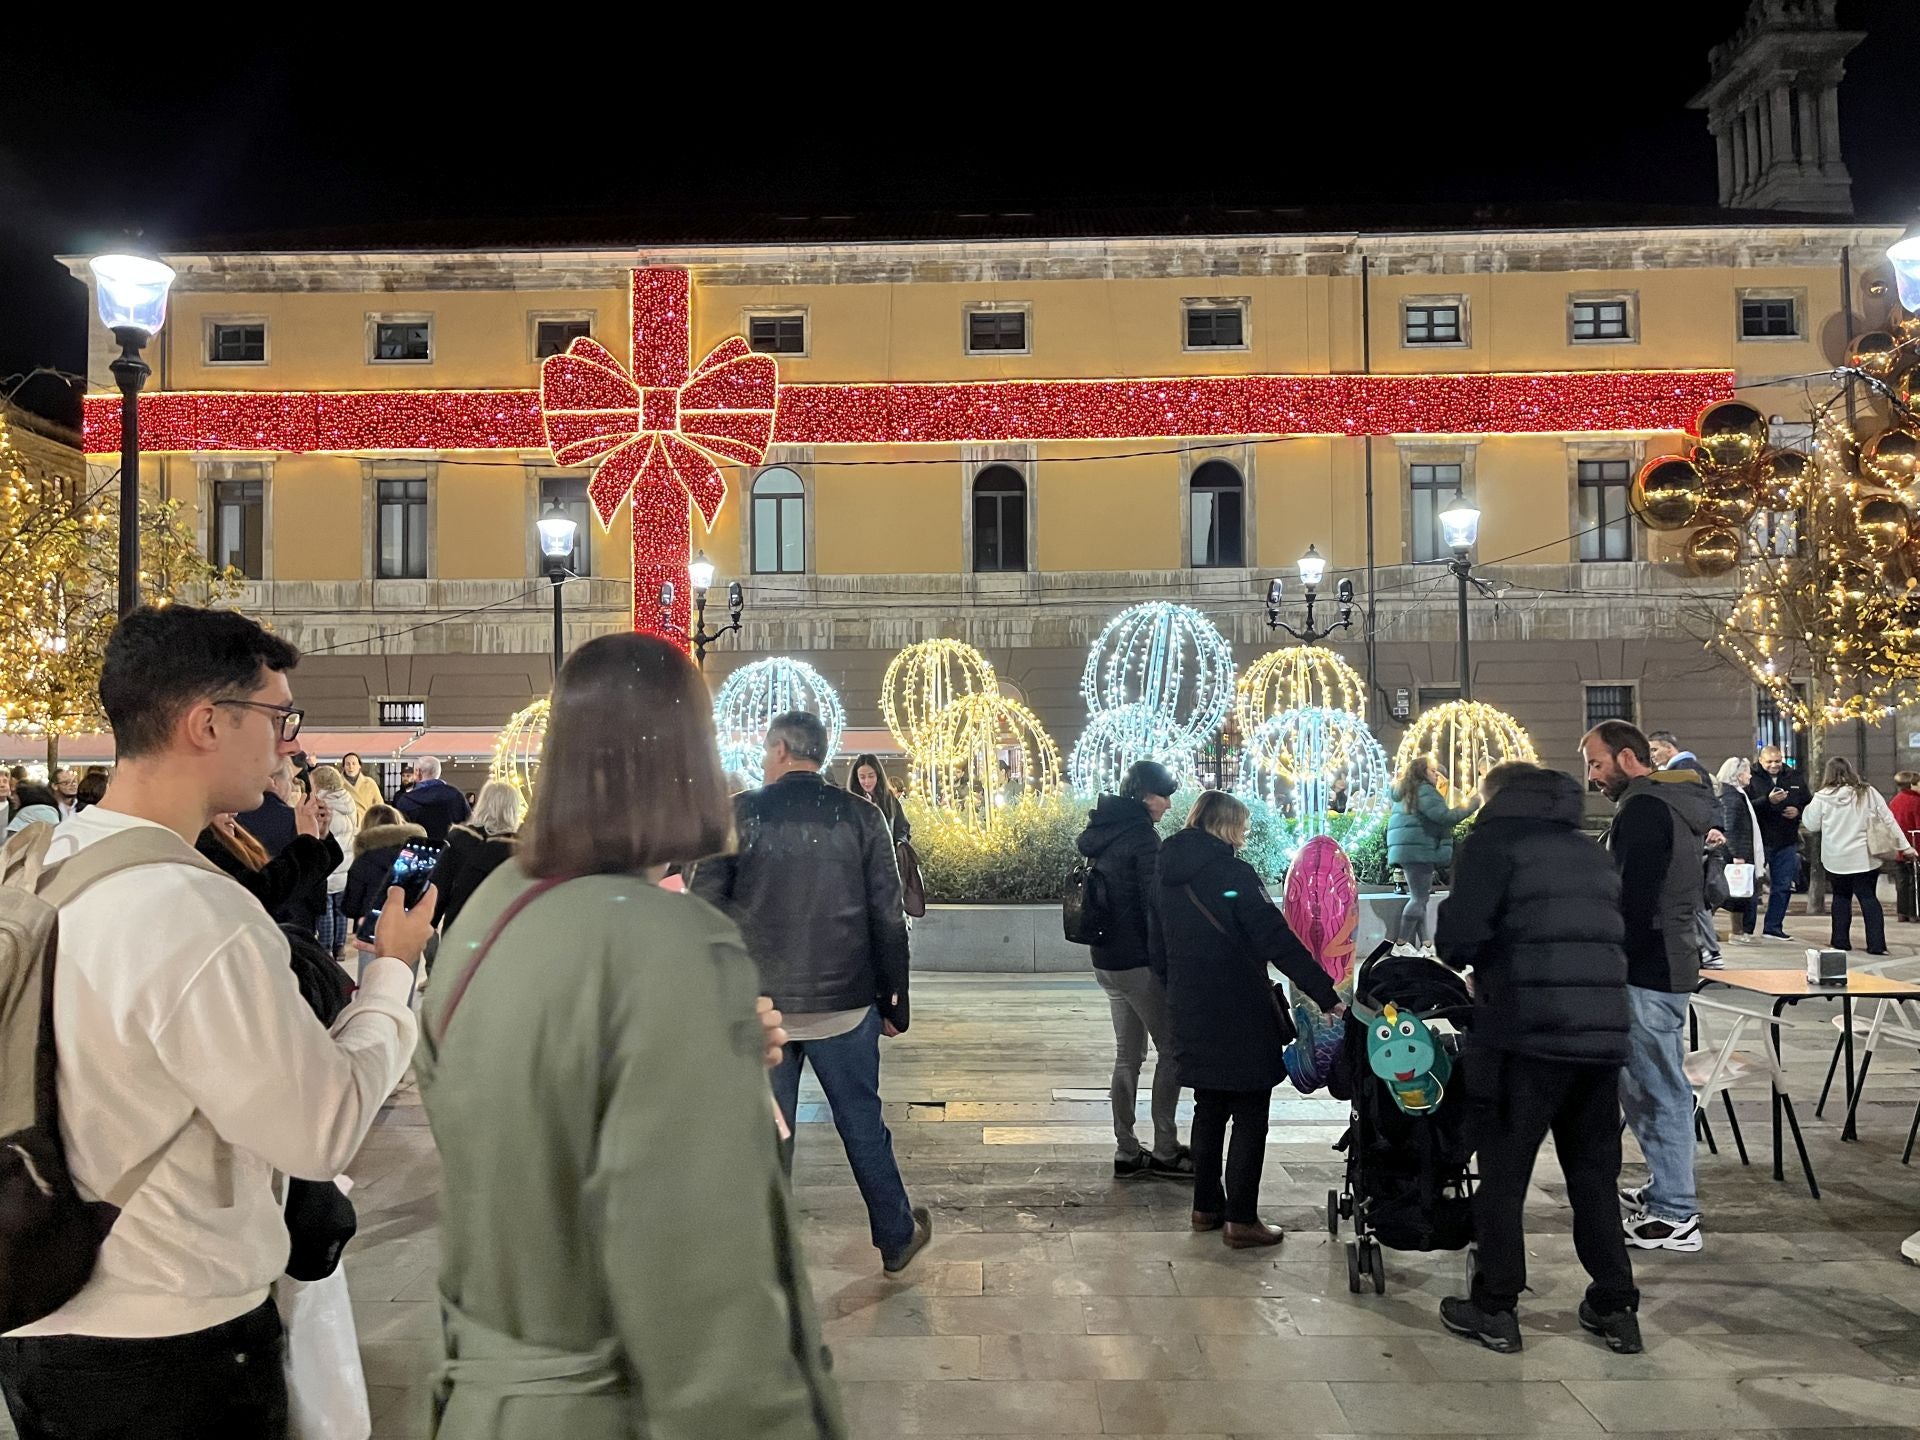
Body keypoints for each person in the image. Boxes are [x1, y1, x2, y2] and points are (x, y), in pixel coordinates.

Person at [0, 604, 434, 1439]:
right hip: (170, 1341)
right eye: (277, 717)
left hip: (40, 1307)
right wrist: (390, 977)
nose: (290, 742)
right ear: (206, 722)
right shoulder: (194, 909)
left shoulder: (41, 860)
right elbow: (320, 1130)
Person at [414, 635, 845, 1438]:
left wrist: (701, 1049)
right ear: (682, 758)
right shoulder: (668, 944)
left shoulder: (495, 913)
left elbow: (520, 1108)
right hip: (603, 1413)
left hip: (480, 1405)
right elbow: (704, 1304)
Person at [691, 710, 929, 1275]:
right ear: (819, 755)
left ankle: (764, 1253)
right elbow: (887, 916)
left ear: (778, 750)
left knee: (768, 1132)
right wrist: (896, 999)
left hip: (760, 1008)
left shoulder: (739, 813)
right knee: (861, 1123)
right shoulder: (862, 816)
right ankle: (896, 1234)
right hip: (845, 1005)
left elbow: (704, 909)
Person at [1432, 763, 1641, 1356]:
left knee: (1503, 1176)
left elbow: (1458, 940)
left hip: (1524, 1034)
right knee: (1594, 1177)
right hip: (1601, 1038)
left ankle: (1495, 1305)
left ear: (1496, 796)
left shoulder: (1491, 844)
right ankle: (1615, 1304)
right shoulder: (1589, 851)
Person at [1152, 790, 1341, 1248]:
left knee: (1209, 1105)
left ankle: (1205, 1207)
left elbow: (1155, 942)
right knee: (1251, 1108)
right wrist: (1324, 992)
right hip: (1238, 1007)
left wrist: (1180, 987)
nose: (1245, 835)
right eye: (1243, 827)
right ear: (1227, 826)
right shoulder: (1232, 872)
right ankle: (1241, 1219)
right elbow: (1275, 938)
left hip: (1190, 1003)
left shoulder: (1165, 871)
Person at [1582, 720, 1710, 1253]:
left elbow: (1633, 897)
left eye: (1596, 762)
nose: (1591, 777)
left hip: (1649, 963)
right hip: (1663, 958)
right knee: (1647, 1085)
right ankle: (1667, 1190)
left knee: (1656, 1087)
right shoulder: (1666, 803)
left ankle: (1675, 1213)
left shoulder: (1644, 808)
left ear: (1628, 759)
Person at [1073, 759, 1192, 1180]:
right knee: (1174, 1050)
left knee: (1128, 1056)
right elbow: (1153, 906)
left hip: (1105, 959)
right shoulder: (1142, 838)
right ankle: (1165, 1148)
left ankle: (1127, 1149)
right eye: (1164, 795)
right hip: (1137, 962)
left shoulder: (1104, 832)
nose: (1169, 804)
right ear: (1145, 795)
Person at [1802, 756, 1913, 956]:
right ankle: (1877, 945)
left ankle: (1840, 942)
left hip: (1836, 858)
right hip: (1864, 856)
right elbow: (1889, 819)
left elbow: (1811, 824)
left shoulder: (1822, 797)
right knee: (1869, 898)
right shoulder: (1867, 792)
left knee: (1840, 898)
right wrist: (1905, 847)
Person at [1648, 730, 1727, 969]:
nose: (1652, 755)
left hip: (1689, 845)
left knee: (1692, 899)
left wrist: (1715, 827)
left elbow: (1705, 801)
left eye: (1654, 749)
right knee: (1692, 899)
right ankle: (1705, 951)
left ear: (1669, 748)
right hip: (1690, 843)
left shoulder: (1685, 769)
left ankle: (1708, 951)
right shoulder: (1679, 770)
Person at [1386, 754, 1477, 951]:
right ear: (1421, 772)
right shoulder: (1425, 790)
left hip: (1409, 849)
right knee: (1419, 898)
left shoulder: (1406, 791)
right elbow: (1445, 816)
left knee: (1420, 896)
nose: (1437, 775)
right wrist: (1474, 801)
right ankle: (1401, 943)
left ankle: (1426, 943)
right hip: (1419, 849)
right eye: (1432, 771)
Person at [432, 779, 524, 934]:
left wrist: (430, 923)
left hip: (459, 924)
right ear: (513, 809)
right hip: (502, 929)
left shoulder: (458, 839)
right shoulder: (520, 850)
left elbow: (439, 887)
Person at [1746, 745, 1811, 939]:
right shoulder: (1751, 776)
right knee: (1753, 887)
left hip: (1786, 839)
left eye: (1777, 761)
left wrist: (1798, 810)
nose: (1774, 765)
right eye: (1769, 762)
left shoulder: (1793, 776)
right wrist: (1768, 801)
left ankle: (1773, 927)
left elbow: (1807, 800)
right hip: (1761, 839)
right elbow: (1746, 806)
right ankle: (1746, 928)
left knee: (1783, 886)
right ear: (1760, 760)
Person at [343, 803, 428, 943]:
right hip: (408, 928)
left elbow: (351, 907)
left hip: (372, 930)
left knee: (373, 965)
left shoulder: (363, 861)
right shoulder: (415, 856)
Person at [306, 765, 359, 956]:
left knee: (326, 906)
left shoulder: (322, 805)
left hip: (329, 862)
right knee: (340, 907)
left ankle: (326, 947)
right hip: (346, 860)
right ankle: (340, 947)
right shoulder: (348, 800)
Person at [1714, 757, 1764, 944]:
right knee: (1729, 895)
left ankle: (1738, 931)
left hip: (1739, 853)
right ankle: (1736, 932)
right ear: (1737, 774)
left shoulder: (1736, 795)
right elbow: (1731, 828)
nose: (1750, 775)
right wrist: (1738, 855)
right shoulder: (1731, 797)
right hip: (1736, 855)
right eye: (1746, 771)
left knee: (1736, 895)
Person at [393, 754, 470, 843]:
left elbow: (400, 832)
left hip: (418, 851)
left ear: (418, 772)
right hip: (451, 851)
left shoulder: (406, 800)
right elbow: (468, 825)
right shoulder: (456, 795)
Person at [237, 758, 300, 858]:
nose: (291, 787)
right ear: (273, 781)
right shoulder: (295, 819)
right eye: (289, 780)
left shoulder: (233, 816)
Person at [848, 752, 911, 843]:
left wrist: (900, 842)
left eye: (871, 776)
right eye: (862, 777)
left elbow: (902, 827)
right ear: (856, 778)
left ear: (878, 775)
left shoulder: (888, 798)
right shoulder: (851, 800)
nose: (867, 781)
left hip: (887, 854)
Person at [1891, 771, 1920, 924]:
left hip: (1898, 848)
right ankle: (1914, 912)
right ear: (1912, 784)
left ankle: (1902, 913)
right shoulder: (1917, 801)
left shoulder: (1895, 801)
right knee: (1915, 882)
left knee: (1902, 882)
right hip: (1915, 846)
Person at [339, 751, 384, 825]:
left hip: (367, 823)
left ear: (359, 765)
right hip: (345, 825)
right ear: (343, 766)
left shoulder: (370, 783)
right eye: (347, 764)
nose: (351, 767)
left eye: (354, 763)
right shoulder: (337, 784)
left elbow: (380, 804)